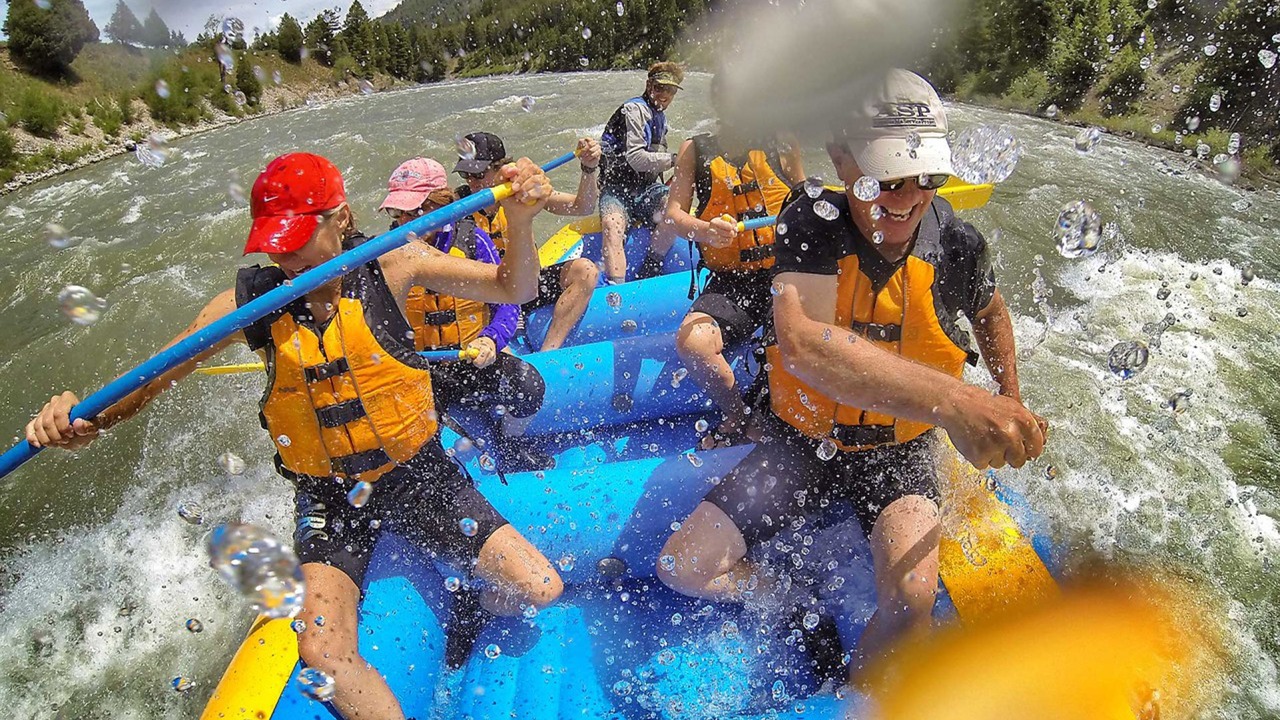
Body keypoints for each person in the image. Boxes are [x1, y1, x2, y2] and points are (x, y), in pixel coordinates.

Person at [26, 152, 564, 720]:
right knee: (322, 652)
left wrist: (522, 219)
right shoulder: (251, 304)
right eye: (273, 243)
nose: (285, 257)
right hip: (330, 497)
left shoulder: (395, 262)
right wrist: (83, 419)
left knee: (540, 588)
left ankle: (471, 601)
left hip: (417, 473)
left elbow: (512, 287)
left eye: (298, 239)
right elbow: (152, 377)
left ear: (341, 217)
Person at [656, 70, 1047, 685]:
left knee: (912, 601)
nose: (906, 197)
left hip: (897, 452)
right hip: (802, 444)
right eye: (886, 178)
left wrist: (1010, 398)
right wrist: (957, 401)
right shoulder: (811, 221)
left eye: (925, 177)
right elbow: (805, 344)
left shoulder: (958, 245)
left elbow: (991, 312)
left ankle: (859, 695)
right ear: (841, 158)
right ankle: (791, 598)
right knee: (682, 566)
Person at [665, 73, 805, 449]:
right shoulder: (694, 150)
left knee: (797, 346)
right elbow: (674, 216)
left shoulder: (783, 142)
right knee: (693, 344)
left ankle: (788, 422)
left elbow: (806, 201)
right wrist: (706, 230)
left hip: (786, 275)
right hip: (732, 281)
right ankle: (738, 415)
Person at [380, 157, 549, 469]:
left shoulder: (473, 240)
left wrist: (491, 340)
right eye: (397, 213)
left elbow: (508, 304)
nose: (405, 223)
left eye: (416, 212)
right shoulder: (386, 254)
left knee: (528, 387)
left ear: (442, 204)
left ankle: (510, 443)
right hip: (423, 368)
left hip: (472, 358)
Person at [454, 131, 603, 351]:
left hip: (527, 284)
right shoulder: (457, 206)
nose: (471, 182)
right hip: (490, 290)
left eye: (479, 174)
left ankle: (549, 350)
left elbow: (582, 206)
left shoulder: (524, 193)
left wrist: (589, 168)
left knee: (586, 271)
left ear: (502, 168)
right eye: (466, 174)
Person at [598, 61, 685, 284]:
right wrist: (675, 159)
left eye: (671, 90)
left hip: (648, 189)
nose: (664, 95)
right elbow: (636, 158)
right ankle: (617, 286)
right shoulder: (634, 110)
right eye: (660, 88)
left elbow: (655, 160)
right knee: (612, 225)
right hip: (617, 189)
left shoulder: (660, 116)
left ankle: (651, 268)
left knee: (673, 211)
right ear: (649, 86)